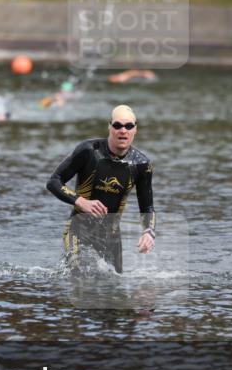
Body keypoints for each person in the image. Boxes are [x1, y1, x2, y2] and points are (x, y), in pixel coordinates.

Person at [46, 105, 155, 274]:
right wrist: (80, 201)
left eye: (128, 126)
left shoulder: (141, 164)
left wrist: (149, 232)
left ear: (135, 130)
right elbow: (54, 181)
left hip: (111, 236)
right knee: (78, 275)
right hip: (78, 227)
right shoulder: (89, 151)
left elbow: (147, 207)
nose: (123, 131)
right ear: (109, 127)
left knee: (115, 289)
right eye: (117, 125)